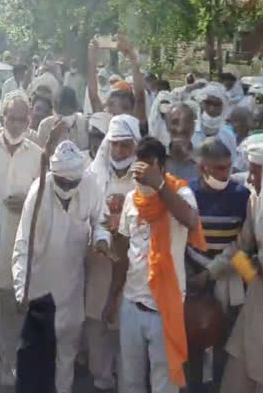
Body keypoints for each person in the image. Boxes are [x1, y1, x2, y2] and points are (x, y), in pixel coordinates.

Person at [103, 136, 206, 393]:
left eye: (146, 167)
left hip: (164, 307)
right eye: (138, 167)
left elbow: (191, 221)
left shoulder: (180, 192)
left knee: (164, 384)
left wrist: (159, 185)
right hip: (132, 304)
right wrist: (114, 295)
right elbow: (125, 249)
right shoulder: (131, 199)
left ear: (160, 165)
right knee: (131, 381)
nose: (140, 174)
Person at [12, 139, 106, 393]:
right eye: (62, 182)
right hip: (39, 294)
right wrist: (22, 291)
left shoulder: (90, 185)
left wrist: (101, 240)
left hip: (71, 290)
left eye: (71, 183)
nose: (66, 187)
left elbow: (102, 220)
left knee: (66, 358)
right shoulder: (38, 191)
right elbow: (22, 244)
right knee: (36, 362)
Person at [0, 90, 42, 385]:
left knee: (12, 312)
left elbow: (43, 198)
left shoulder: (38, 154)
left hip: (18, 246)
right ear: (2, 118)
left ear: (29, 120)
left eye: (22, 119)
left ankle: (7, 365)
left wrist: (28, 199)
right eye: (11, 118)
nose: (16, 125)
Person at [186, 138, 251, 390]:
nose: (227, 173)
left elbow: (245, 245)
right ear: (203, 167)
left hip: (230, 279)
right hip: (193, 280)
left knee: (226, 343)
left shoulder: (241, 195)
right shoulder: (187, 194)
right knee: (193, 343)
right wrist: (193, 277)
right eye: (220, 168)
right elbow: (180, 241)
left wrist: (248, 286)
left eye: (229, 166)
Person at [85, 114, 141, 392]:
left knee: (124, 325)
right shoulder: (94, 175)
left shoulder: (143, 178)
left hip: (132, 262)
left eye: (125, 145)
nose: (119, 151)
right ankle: (101, 378)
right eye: (115, 145)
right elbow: (89, 215)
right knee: (97, 321)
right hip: (100, 259)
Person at [219, 140, 263, 392]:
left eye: (255, 172)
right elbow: (241, 249)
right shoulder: (256, 201)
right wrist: (209, 273)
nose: (250, 178)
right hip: (256, 305)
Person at [193, 82, 237, 159]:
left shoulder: (228, 137)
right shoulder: (189, 131)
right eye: (208, 103)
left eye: (217, 104)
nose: (212, 109)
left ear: (223, 108)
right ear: (201, 104)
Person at [166, 102, 200, 184]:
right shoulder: (156, 159)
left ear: (193, 127)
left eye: (186, 122)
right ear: (167, 126)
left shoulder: (205, 164)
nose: (180, 128)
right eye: (175, 122)